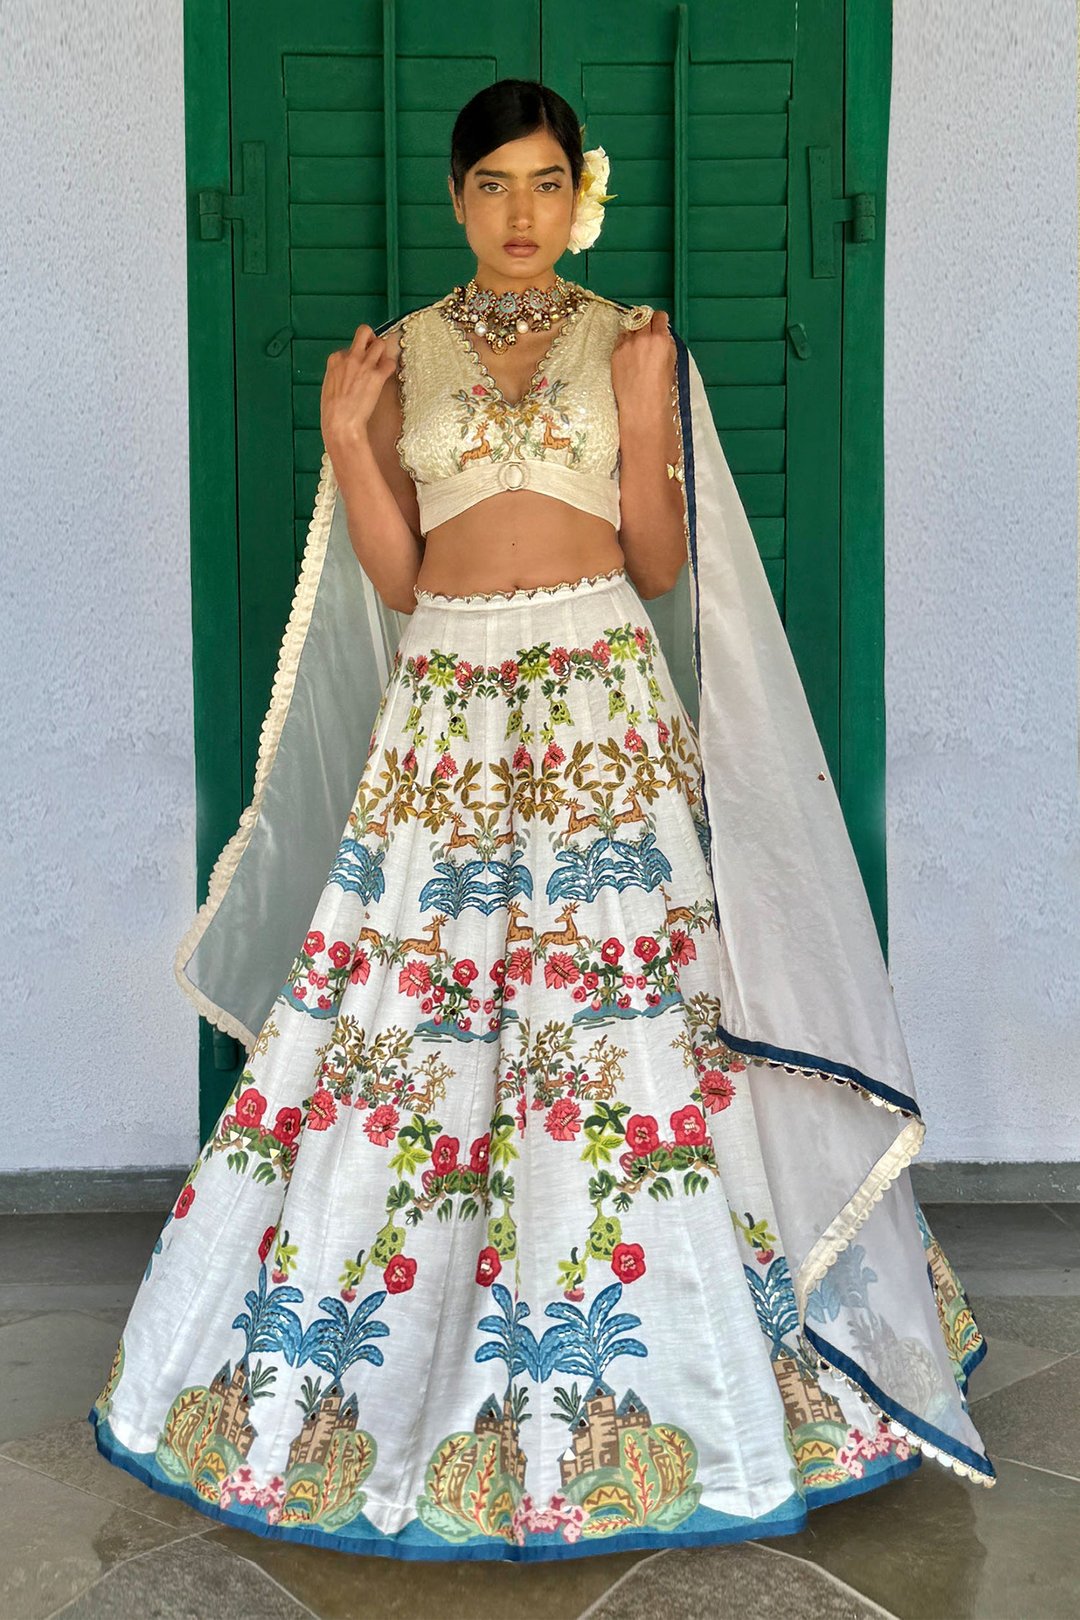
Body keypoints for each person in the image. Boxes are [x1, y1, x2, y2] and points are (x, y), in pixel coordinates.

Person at [88, 79, 995, 1563]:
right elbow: (400, 580)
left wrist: (639, 417)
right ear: (457, 199)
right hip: (448, 704)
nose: (523, 211)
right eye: (495, 184)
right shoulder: (403, 352)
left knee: (624, 1017)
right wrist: (348, 442)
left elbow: (658, 561)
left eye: (548, 182)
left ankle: (713, 1373)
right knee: (412, 1020)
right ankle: (382, 1380)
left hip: (594, 702)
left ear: (584, 195)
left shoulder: (633, 340)